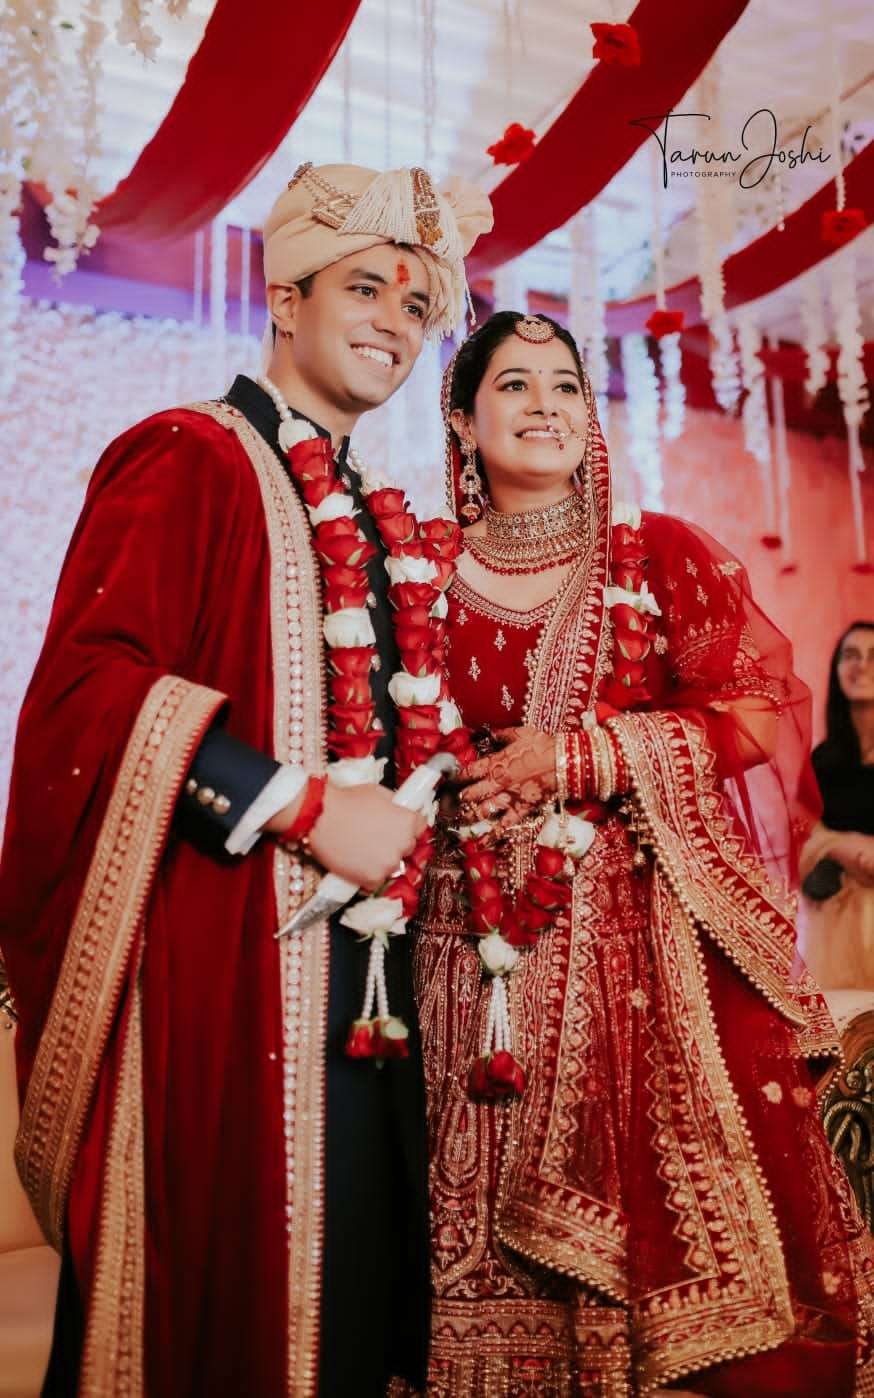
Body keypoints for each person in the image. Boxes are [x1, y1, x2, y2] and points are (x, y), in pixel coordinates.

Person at [0, 162, 491, 1397]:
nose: (393, 322)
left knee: (356, 1310)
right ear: (284, 299)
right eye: (364, 288)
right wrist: (308, 806)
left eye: (417, 306)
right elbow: (87, 692)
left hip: (372, 987)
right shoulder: (189, 457)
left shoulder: (376, 516)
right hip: (224, 975)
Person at [407, 312, 874, 1397]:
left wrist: (585, 755)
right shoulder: (417, 571)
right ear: (462, 419)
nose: (545, 406)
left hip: (631, 944)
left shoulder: (654, 553)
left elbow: (753, 710)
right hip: (453, 941)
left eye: (565, 386)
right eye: (513, 385)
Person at [799, 622, 874, 990]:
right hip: (834, 928)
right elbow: (800, 833)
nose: (862, 665)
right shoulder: (823, 759)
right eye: (850, 655)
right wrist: (843, 848)